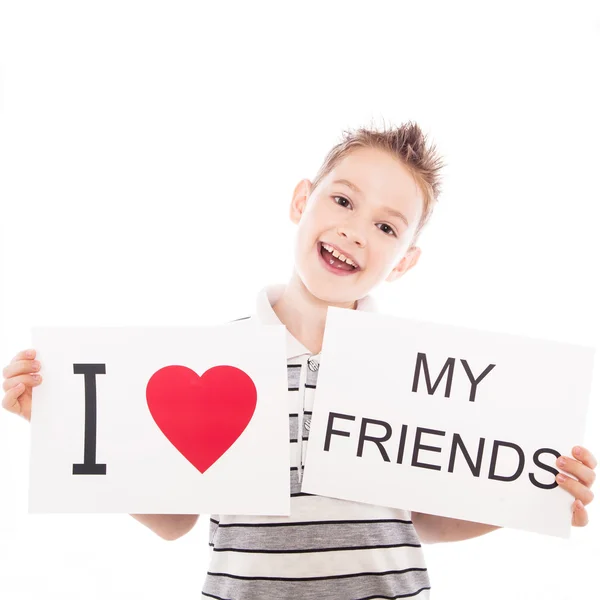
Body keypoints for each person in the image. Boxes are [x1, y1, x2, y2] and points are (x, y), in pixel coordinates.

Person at [3, 122, 596, 599]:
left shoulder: (419, 373)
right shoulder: (213, 365)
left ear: (406, 260)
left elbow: (433, 523)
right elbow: (174, 519)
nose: (355, 230)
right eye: (343, 200)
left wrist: (536, 497)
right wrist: (56, 423)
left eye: (386, 226)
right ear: (300, 201)